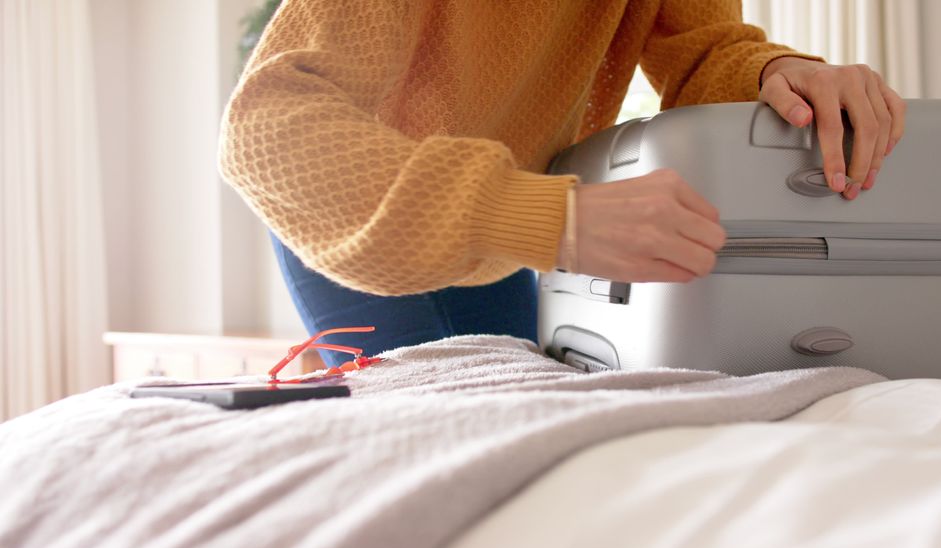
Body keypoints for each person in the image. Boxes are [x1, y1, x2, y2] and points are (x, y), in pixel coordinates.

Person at [219, 0, 906, 365]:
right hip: (360, 215)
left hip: (497, 242)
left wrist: (777, 72)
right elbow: (260, 130)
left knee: (518, 435)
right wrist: (558, 221)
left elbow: (706, 52)